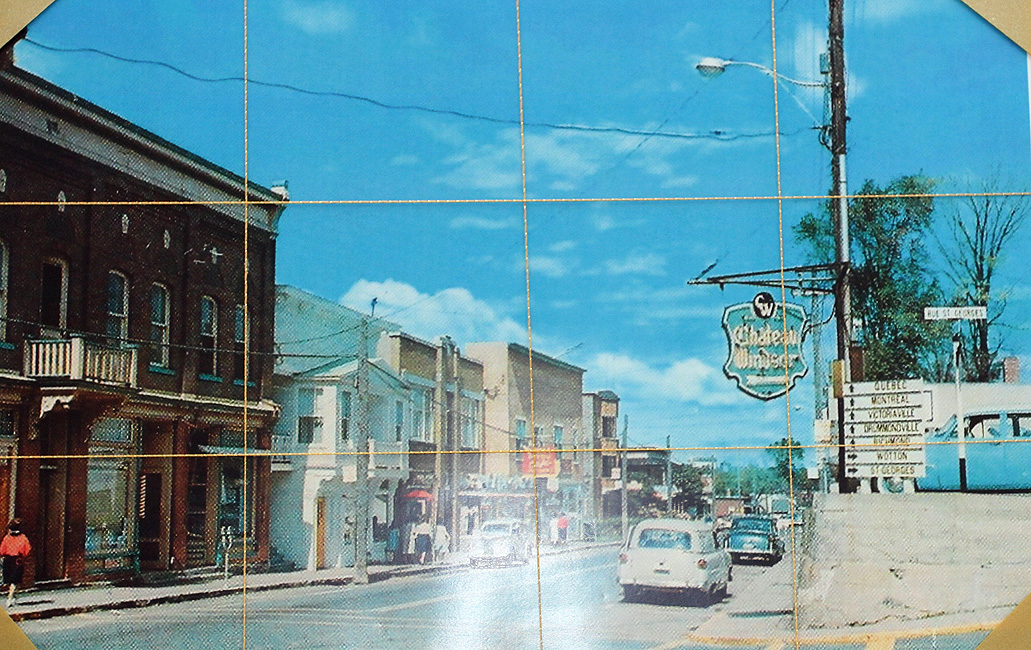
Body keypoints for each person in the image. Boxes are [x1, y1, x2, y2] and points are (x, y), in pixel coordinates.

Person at [1, 518, 31, 608]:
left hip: (7, 559)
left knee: (10, 580)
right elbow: (27, 550)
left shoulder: (7, 538)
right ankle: (10, 598)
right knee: (16, 580)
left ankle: (12, 596)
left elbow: (2, 550)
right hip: (17, 560)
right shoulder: (23, 538)